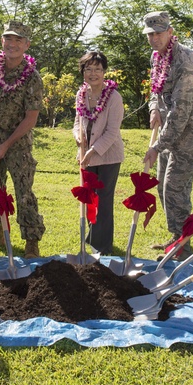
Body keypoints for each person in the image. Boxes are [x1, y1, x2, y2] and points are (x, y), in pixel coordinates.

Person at [0, 21, 45, 258]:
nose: (12, 44)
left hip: (18, 143)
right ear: (2, 41)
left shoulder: (32, 76)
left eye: (18, 40)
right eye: (8, 39)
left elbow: (31, 118)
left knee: (24, 190)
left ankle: (31, 241)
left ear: (26, 44)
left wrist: (8, 144)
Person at [141, 11, 193, 260]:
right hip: (169, 130)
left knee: (175, 188)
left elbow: (181, 111)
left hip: (189, 134)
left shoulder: (186, 60)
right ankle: (176, 235)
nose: (154, 38)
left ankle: (183, 247)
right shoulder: (156, 57)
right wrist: (152, 109)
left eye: (159, 33)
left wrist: (157, 146)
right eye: (150, 34)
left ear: (170, 32)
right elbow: (155, 89)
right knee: (162, 186)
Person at [72, 51, 124, 255]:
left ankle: (102, 247)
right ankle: (91, 238)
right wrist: (78, 137)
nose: (93, 73)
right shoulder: (81, 94)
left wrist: (93, 151)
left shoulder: (114, 97)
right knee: (89, 197)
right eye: (88, 69)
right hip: (86, 154)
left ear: (104, 72)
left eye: (97, 69)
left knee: (102, 199)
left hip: (108, 156)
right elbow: (78, 121)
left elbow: (112, 132)